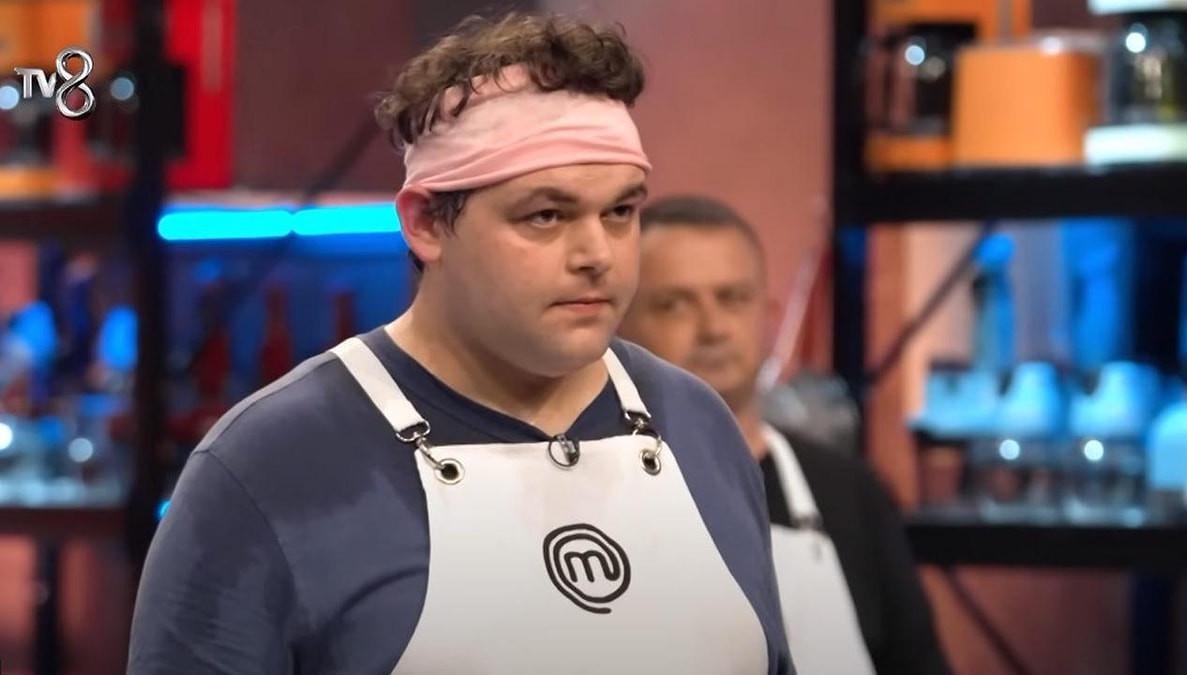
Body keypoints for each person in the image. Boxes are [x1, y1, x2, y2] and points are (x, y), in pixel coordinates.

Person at [129, 14, 794, 674]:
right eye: (546, 215)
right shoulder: (271, 464)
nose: (598, 254)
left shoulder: (697, 424)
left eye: (620, 211)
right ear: (426, 223)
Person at [619, 195, 951, 675]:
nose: (713, 328)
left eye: (733, 298)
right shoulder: (602, 494)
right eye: (675, 305)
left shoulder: (849, 492)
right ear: (620, 330)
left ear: (770, 320)